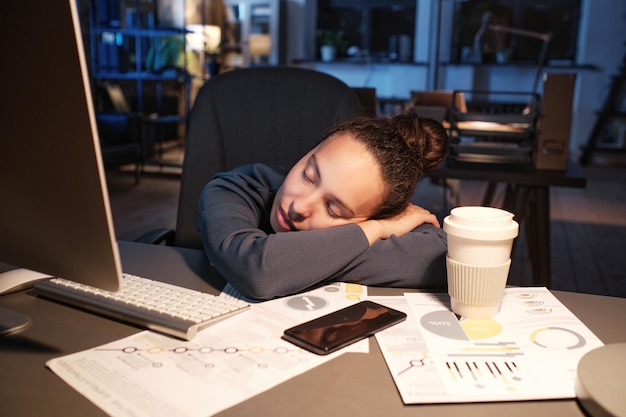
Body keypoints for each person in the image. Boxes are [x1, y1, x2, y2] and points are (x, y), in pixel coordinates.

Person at [196, 113, 449, 300]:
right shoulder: (235, 187)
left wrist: (293, 264)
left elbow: (449, 257)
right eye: (308, 174)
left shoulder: (376, 217)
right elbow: (256, 269)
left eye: (332, 209)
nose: (299, 206)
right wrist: (375, 229)